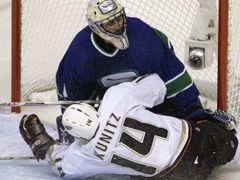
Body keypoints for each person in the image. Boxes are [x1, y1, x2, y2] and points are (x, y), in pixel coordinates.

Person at [20, 74, 240, 180]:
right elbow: (156, 85)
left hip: (181, 175)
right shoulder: (116, 98)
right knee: (228, 139)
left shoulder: (83, 155)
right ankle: (226, 132)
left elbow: (59, 164)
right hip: (199, 140)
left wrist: (40, 141)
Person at [56, 0, 205, 121]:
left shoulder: (144, 36)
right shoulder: (80, 54)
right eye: (110, 23)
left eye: (118, 18)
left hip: (155, 97)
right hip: (113, 107)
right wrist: (73, 127)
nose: (118, 26)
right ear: (95, 27)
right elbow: (75, 103)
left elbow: (173, 77)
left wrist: (195, 114)